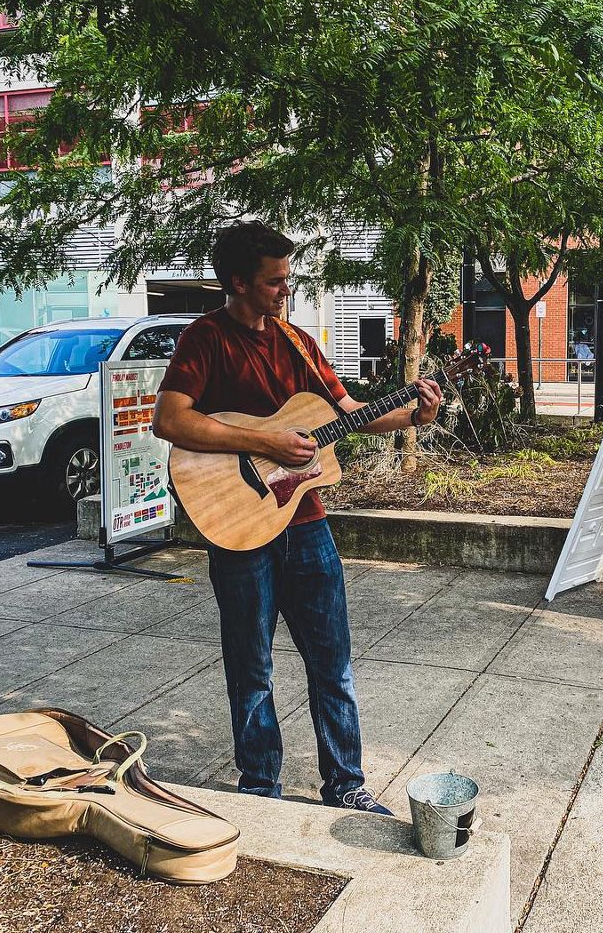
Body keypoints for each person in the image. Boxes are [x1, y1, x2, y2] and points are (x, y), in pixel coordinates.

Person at [152, 221, 442, 814]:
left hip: (306, 522)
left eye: (287, 278)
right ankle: (260, 790)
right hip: (236, 527)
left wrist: (414, 414)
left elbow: (351, 413)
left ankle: (347, 784)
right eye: (273, 281)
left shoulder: (297, 342)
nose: (285, 290)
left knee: (332, 663)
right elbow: (171, 421)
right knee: (251, 667)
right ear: (237, 282)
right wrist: (263, 445)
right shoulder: (205, 339)